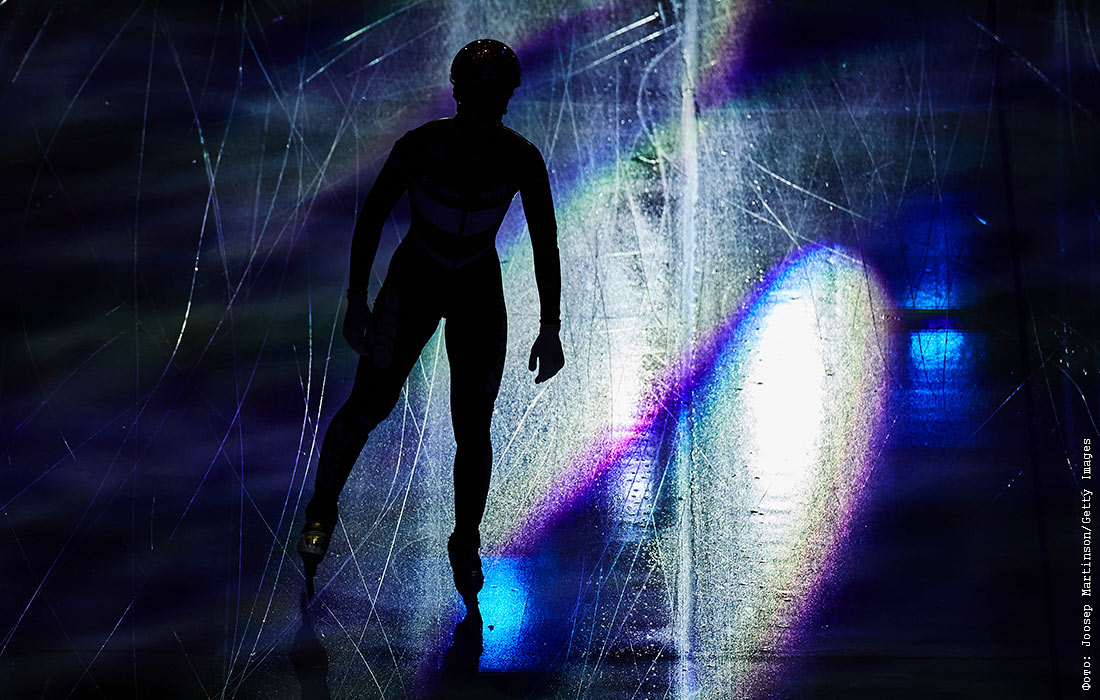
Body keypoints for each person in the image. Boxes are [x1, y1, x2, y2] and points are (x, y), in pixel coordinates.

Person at [297, 39, 564, 602]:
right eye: (480, 100)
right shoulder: (462, 151)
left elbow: (545, 242)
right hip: (434, 284)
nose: (487, 112)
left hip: (447, 286)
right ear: (461, 96)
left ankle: (462, 539)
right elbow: (372, 216)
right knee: (379, 405)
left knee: (466, 423)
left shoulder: (492, 154)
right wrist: (548, 326)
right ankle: (329, 507)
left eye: (494, 101)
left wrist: (551, 327)